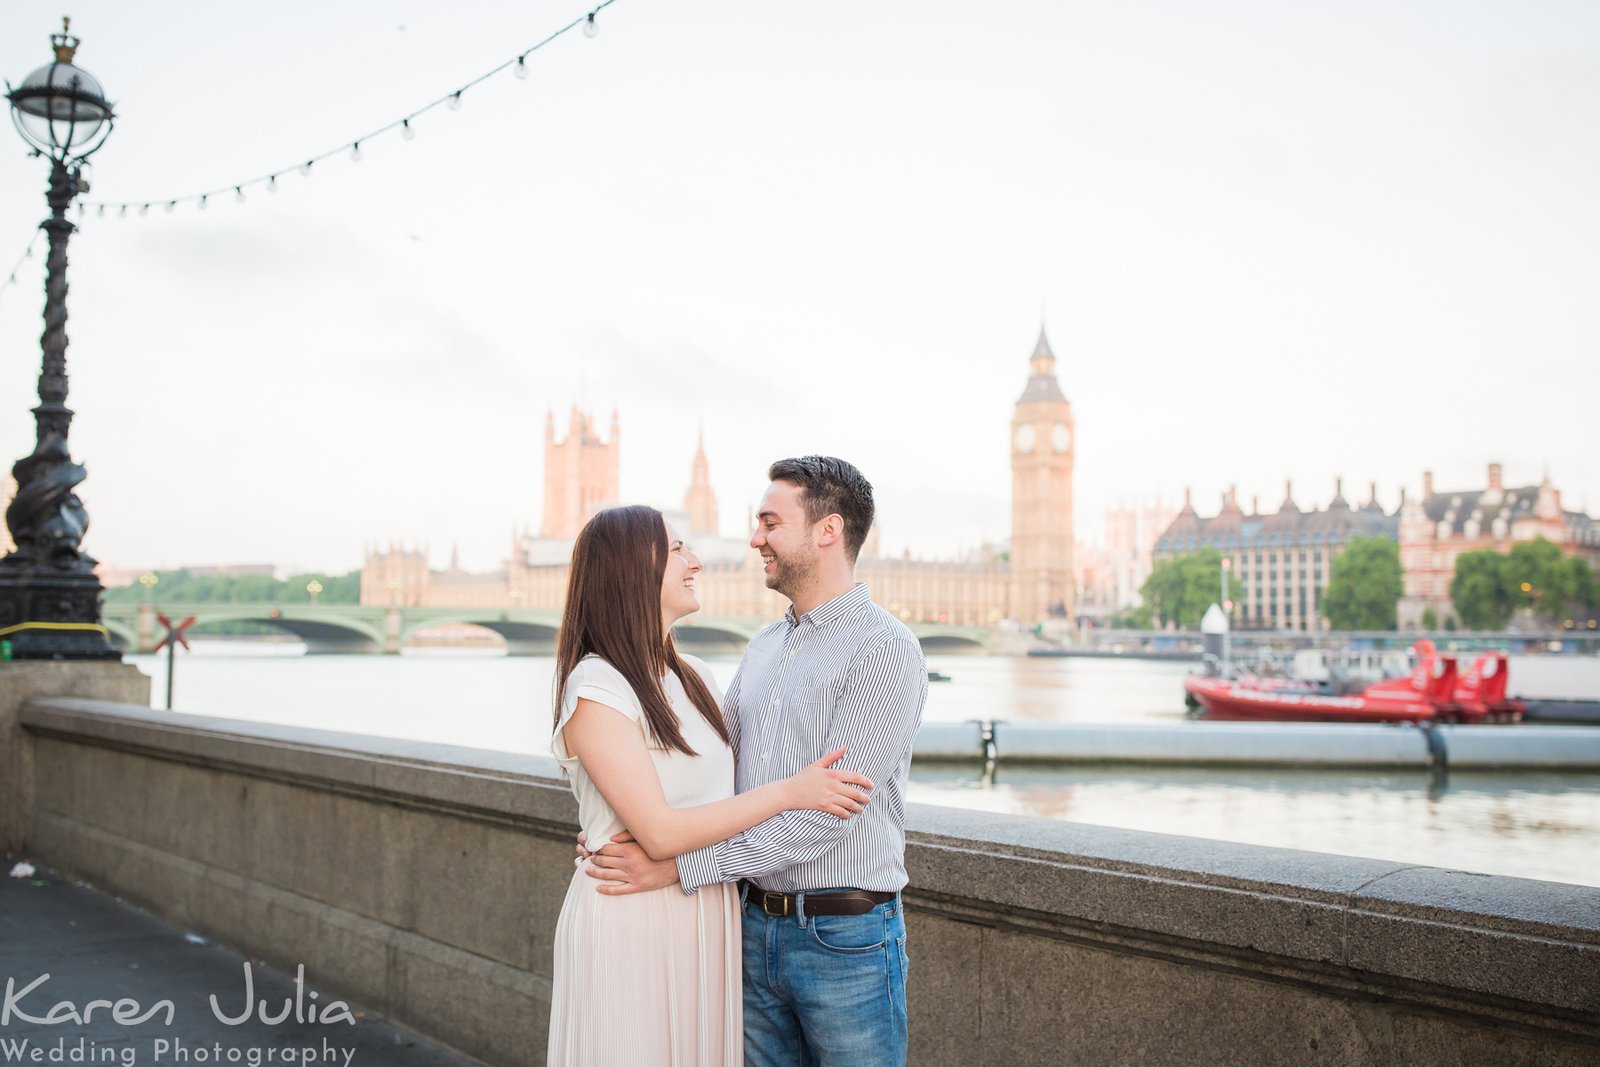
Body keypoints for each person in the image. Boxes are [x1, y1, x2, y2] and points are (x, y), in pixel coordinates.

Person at [583, 458, 928, 1067]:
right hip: (745, 927)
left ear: (828, 531)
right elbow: (718, 772)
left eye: (770, 522)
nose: (754, 538)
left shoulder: (884, 647)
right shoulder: (764, 646)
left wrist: (680, 867)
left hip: (841, 936)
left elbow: (829, 812)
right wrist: (618, 816)